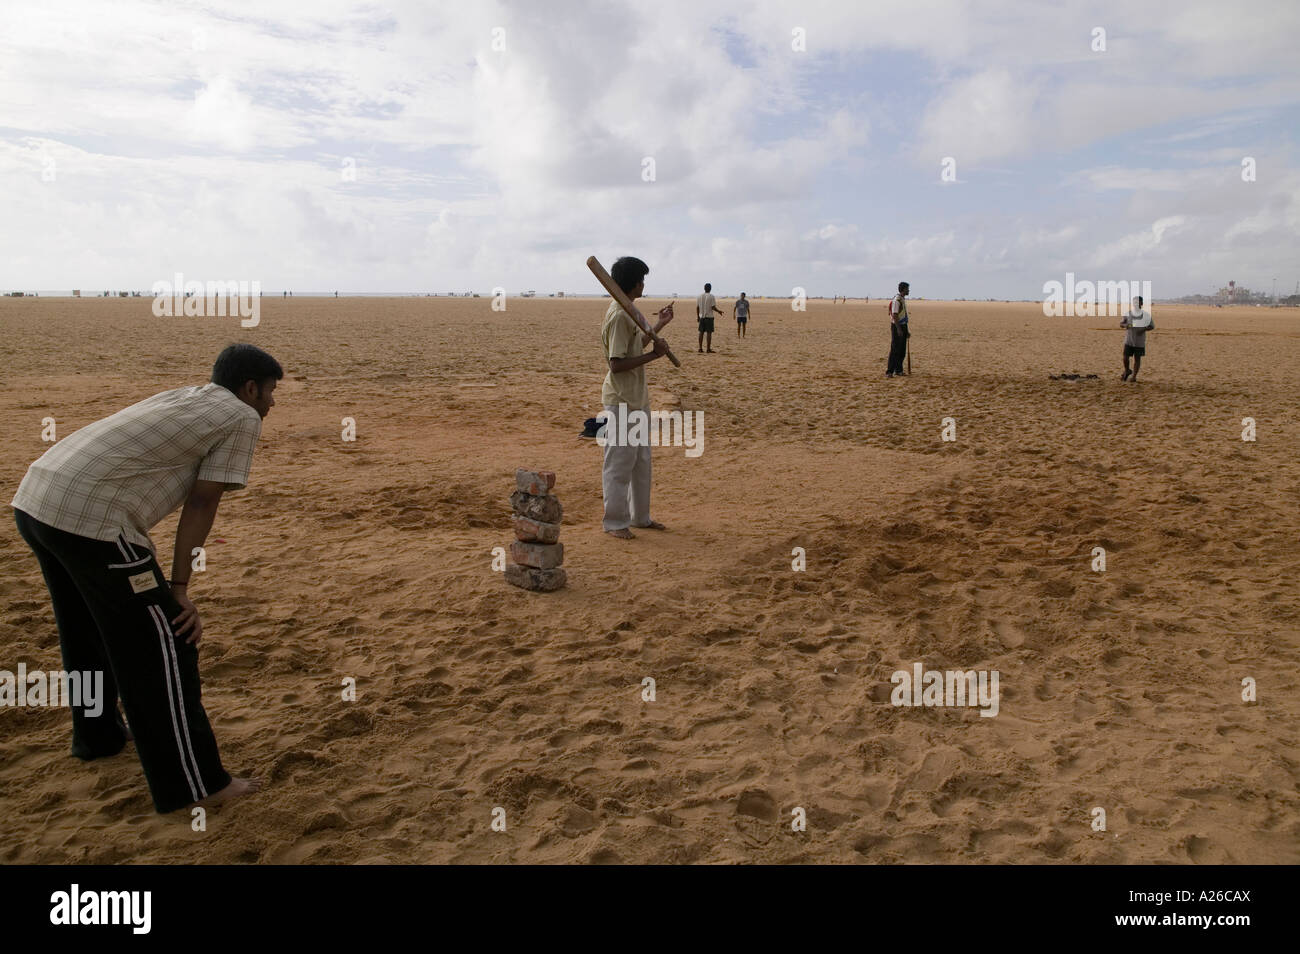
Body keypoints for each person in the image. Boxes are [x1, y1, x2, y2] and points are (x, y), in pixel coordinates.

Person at [10, 343, 281, 813]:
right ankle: (195, 785)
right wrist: (178, 591)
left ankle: (98, 736)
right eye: (271, 392)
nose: (272, 403)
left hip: (37, 500)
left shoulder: (186, 395)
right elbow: (202, 502)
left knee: (86, 631)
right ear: (250, 387)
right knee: (167, 644)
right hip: (92, 522)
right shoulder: (241, 416)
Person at [600, 257, 674, 539]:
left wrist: (660, 324)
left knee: (641, 461)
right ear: (633, 282)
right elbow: (616, 364)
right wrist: (654, 356)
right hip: (620, 400)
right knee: (619, 463)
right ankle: (616, 523)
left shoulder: (629, 311)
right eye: (642, 279)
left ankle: (640, 517)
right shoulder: (619, 315)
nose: (644, 284)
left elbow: (632, 349)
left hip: (637, 398)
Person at [1120, 295, 1154, 382]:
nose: (1136, 304)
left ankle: (1134, 376)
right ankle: (1127, 370)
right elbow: (1121, 324)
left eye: (1138, 302)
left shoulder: (1146, 315)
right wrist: (1125, 325)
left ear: (1141, 303)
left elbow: (1152, 326)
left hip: (1139, 341)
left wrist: (1143, 329)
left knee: (1137, 359)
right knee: (1125, 357)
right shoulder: (1128, 313)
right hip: (1129, 340)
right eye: (1134, 302)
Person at [886, 281, 910, 377]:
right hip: (897, 326)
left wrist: (906, 330)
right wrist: (899, 329)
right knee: (895, 349)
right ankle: (889, 371)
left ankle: (899, 370)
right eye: (907, 288)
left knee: (902, 350)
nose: (909, 290)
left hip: (903, 326)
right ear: (903, 289)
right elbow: (895, 315)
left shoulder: (902, 299)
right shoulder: (897, 300)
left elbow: (903, 315)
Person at [696, 282, 723, 353]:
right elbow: (713, 307)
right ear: (710, 289)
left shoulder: (699, 296)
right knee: (709, 333)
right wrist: (719, 311)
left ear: (704, 288)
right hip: (709, 317)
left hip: (702, 317)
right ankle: (708, 349)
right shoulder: (711, 296)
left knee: (701, 332)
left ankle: (700, 348)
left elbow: (697, 307)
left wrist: (698, 316)